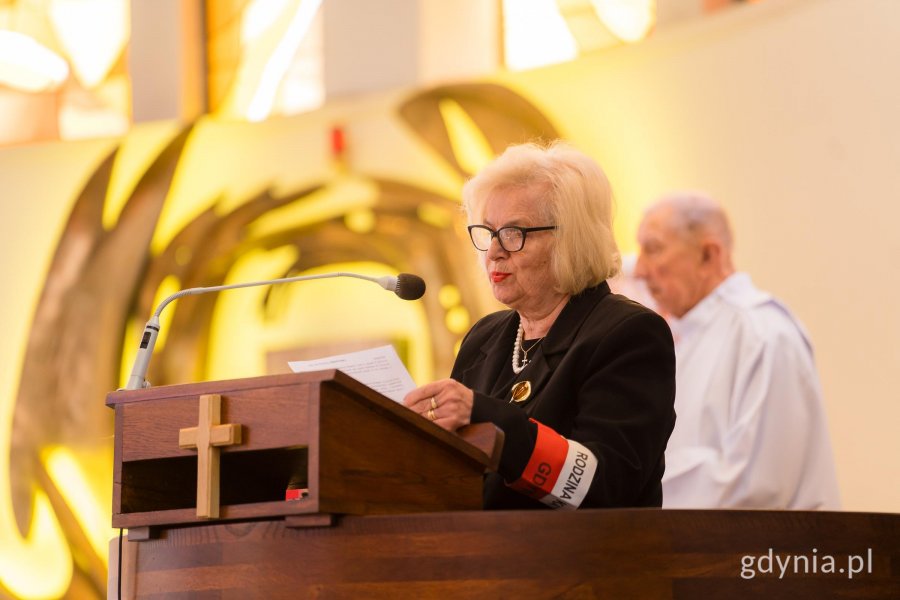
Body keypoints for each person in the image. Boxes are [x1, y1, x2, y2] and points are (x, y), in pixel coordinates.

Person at [403, 141, 676, 510]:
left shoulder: (629, 334)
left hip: (582, 562)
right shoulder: (483, 338)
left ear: (569, 239)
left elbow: (606, 486)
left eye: (515, 233)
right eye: (488, 232)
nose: (495, 251)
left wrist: (482, 415)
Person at [634, 191, 840, 509]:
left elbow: (756, 484)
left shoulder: (763, 333)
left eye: (654, 249)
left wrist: (634, 484)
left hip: (770, 556)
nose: (640, 271)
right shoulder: (682, 337)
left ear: (709, 255)